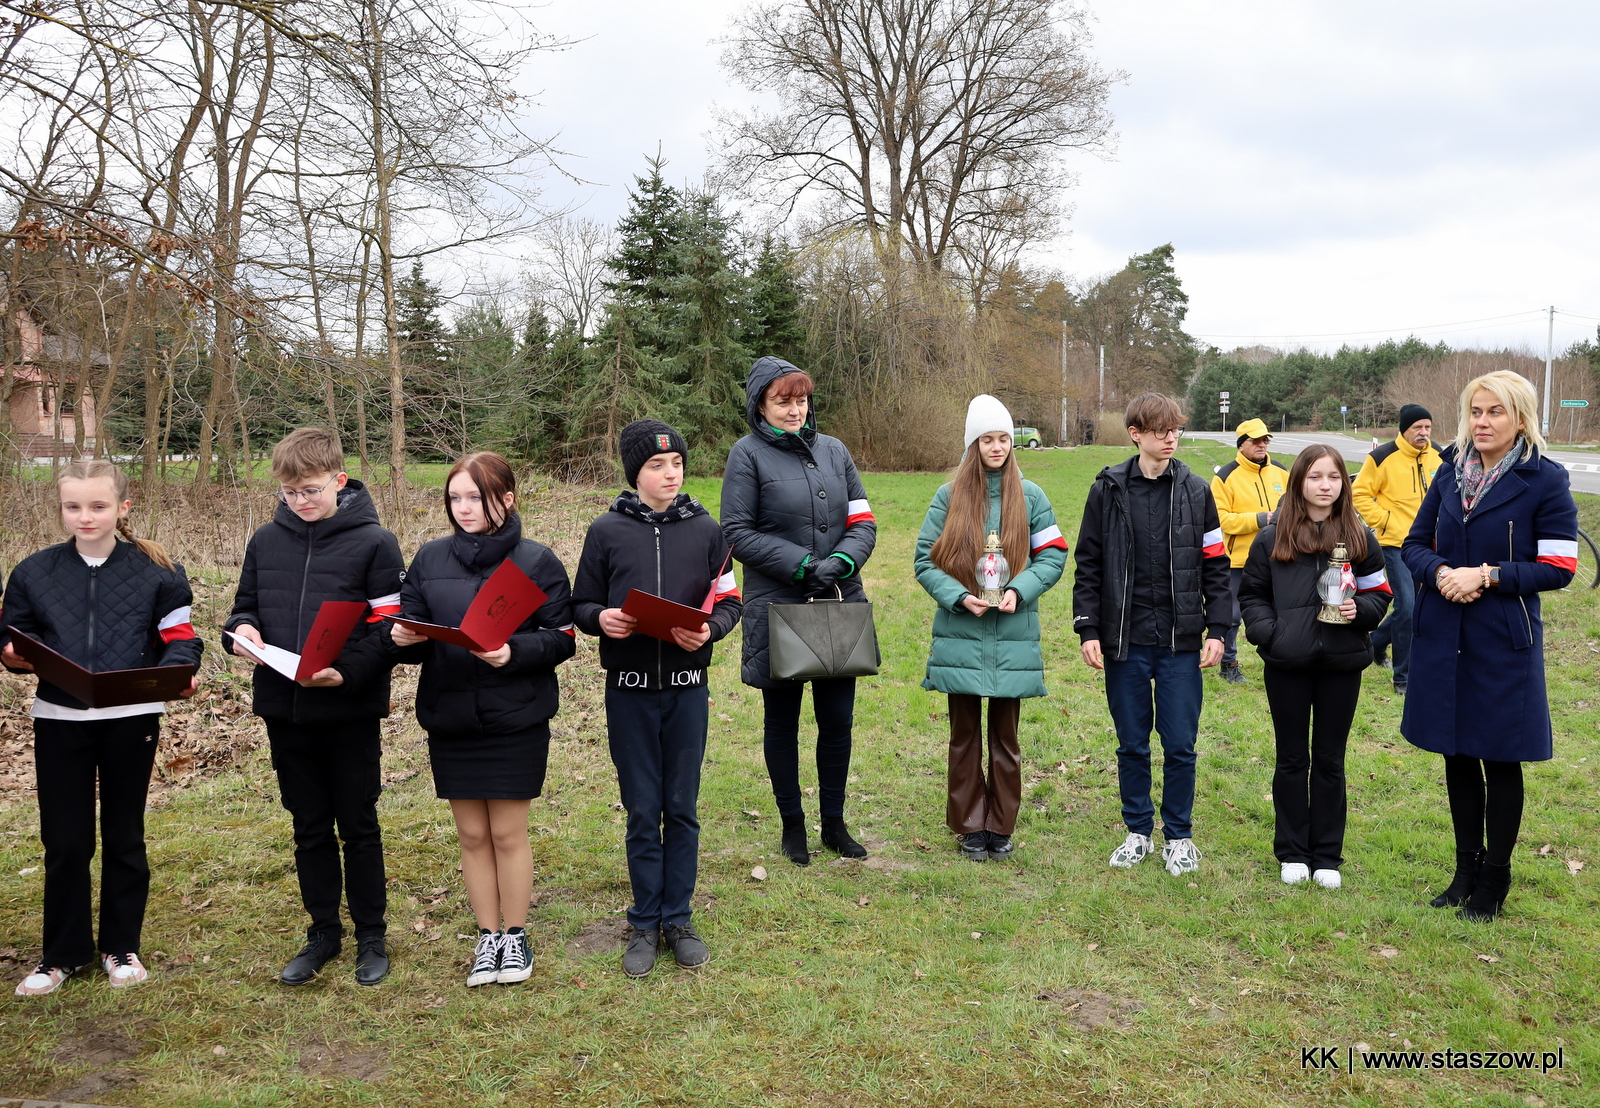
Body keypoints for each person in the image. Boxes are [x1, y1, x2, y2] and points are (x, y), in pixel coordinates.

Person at [2, 460, 203, 996]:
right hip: (59, 718)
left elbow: (180, 636)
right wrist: (11, 655)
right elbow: (13, 639)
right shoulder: (33, 572)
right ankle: (61, 955)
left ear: (122, 508)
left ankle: (121, 946)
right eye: (73, 506)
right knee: (65, 840)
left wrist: (176, 672)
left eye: (98, 506)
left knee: (123, 834)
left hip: (130, 718)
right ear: (61, 509)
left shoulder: (157, 571)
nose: (85, 516)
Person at [224, 428, 405, 986]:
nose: (300, 502)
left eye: (310, 490)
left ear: (339, 480)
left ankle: (371, 936)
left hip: (348, 709)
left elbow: (391, 627)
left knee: (357, 823)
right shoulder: (265, 542)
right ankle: (323, 931)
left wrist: (346, 672)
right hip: (286, 707)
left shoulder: (376, 542)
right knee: (308, 826)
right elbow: (243, 608)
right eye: (288, 493)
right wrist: (242, 631)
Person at [388, 452, 575, 988]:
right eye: (455, 498)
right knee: (471, 834)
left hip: (515, 716)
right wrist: (401, 639)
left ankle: (515, 937)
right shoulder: (429, 559)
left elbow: (562, 638)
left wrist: (513, 652)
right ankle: (487, 937)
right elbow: (409, 628)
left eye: (476, 497)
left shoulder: (537, 562)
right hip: (450, 716)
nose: (463, 508)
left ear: (506, 499)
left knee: (508, 833)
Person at [1401, 371, 1577, 922]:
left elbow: (1559, 566)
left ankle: (1495, 878)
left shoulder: (1544, 480)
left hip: (1504, 641)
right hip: (1445, 635)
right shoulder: (1448, 474)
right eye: (1475, 411)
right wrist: (1444, 572)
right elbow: (1412, 544)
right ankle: (1464, 870)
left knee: (1499, 759)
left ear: (1520, 418)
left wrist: (1488, 576)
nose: (1481, 421)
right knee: (1456, 754)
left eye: (1494, 412)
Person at [572, 420, 743, 976]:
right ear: (635, 473)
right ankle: (644, 921)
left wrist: (711, 630)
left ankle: (679, 917)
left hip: (688, 693)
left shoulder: (709, 532)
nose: (670, 474)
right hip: (630, 694)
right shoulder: (606, 531)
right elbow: (580, 605)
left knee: (682, 808)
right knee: (644, 810)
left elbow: (729, 602)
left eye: (676, 465)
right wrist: (601, 619)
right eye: (655, 466)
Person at [721, 357, 877, 866]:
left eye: (801, 400)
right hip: (779, 606)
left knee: (838, 721)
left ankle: (834, 821)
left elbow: (863, 520)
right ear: (760, 405)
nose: (794, 410)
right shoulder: (746, 456)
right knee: (781, 720)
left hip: (837, 600)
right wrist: (802, 565)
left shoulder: (835, 451)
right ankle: (793, 824)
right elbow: (737, 531)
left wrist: (842, 560)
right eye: (783, 401)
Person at [1072, 394, 1231, 877]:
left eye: (1175, 429)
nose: (1170, 438)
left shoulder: (1197, 491)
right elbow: (1089, 564)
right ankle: (1138, 831)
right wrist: (1088, 628)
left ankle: (1178, 837)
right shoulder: (1108, 490)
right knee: (1132, 744)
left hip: (1181, 644)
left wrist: (1219, 629)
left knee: (1180, 744)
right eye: (1160, 430)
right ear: (1135, 433)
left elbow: (1216, 566)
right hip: (1125, 642)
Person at [914, 396, 1068, 861]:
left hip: (1012, 634)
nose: (997, 447)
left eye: (1003, 438)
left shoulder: (1033, 496)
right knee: (963, 737)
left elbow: (1054, 555)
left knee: (1005, 736)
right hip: (962, 633)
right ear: (973, 444)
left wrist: (1019, 590)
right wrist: (958, 596)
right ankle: (968, 826)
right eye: (987, 439)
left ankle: (1000, 826)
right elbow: (924, 560)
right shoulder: (949, 497)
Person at [1239, 445, 1392, 889]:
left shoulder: (1360, 536)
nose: (1325, 486)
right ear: (1299, 481)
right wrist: (1271, 634)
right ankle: (1292, 851)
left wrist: (1359, 611)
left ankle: (1326, 854)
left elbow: (1379, 594)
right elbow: (1251, 595)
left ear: (1344, 483)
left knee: (1329, 759)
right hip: (1287, 663)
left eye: (1334, 477)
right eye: (1315, 477)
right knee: (1291, 758)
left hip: (1341, 664)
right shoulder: (1272, 537)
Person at [1352, 403, 1442, 695]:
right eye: (1418, 428)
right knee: (1408, 606)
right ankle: (1403, 677)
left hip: (1431, 545)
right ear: (1404, 429)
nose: (1424, 433)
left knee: (1417, 608)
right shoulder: (1382, 457)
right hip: (1395, 544)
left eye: (1427, 427)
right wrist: (1385, 521)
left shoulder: (1439, 455)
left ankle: (1377, 642)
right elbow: (1359, 494)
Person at [1210, 418, 1287, 685]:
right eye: (1256, 440)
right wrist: (1259, 519)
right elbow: (1219, 519)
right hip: (1238, 560)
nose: (1262, 445)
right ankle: (1228, 662)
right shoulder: (1225, 477)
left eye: (1265, 440)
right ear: (1241, 444)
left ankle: (1279, 658)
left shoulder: (1280, 472)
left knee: (1280, 610)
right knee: (1232, 616)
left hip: (1277, 557)